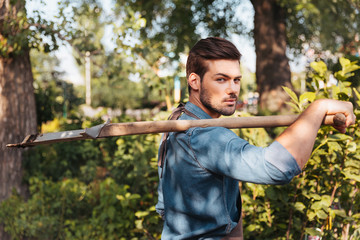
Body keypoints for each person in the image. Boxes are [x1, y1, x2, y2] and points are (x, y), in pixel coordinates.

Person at [155, 37, 355, 239]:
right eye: (221, 79)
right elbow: (279, 167)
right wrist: (319, 108)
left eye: (236, 80)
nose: (233, 89)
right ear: (194, 81)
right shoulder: (205, 135)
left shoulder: (179, 119)